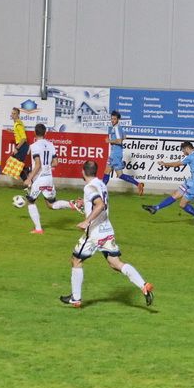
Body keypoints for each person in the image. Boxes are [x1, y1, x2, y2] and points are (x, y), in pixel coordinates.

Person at [60, 160, 154, 308]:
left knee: (76, 260)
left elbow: (100, 204)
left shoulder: (89, 187)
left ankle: (75, 298)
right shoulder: (101, 184)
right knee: (115, 263)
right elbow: (98, 201)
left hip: (94, 233)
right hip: (107, 230)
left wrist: (86, 221)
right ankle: (144, 285)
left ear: (83, 172)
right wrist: (85, 203)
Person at [22, 123, 83, 234]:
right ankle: (72, 204)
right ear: (45, 133)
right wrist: (46, 165)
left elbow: (38, 164)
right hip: (48, 178)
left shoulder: (34, 146)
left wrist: (29, 178)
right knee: (51, 204)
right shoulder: (51, 145)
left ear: (35, 133)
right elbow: (55, 163)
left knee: (31, 202)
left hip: (39, 179)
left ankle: (38, 229)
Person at [102, 111, 144, 195]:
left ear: (118, 119)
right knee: (120, 175)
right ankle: (138, 184)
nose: (112, 120)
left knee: (107, 172)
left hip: (115, 154)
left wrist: (109, 141)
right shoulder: (118, 127)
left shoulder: (116, 128)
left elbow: (119, 141)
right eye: (112, 119)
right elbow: (124, 136)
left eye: (114, 119)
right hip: (117, 153)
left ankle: (100, 191)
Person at [10, 107, 30, 180]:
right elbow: (19, 133)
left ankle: (28, 179)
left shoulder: (18, 124)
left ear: (18, 115)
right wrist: (12, 131)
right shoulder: (17, 123)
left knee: (16, 166)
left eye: (14, 114)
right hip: (21, 146)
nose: (12, 115)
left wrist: (17, 148)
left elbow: (24, 138)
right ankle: (27, 171)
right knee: (16, 166)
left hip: (21, 146)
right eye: (12, 113)